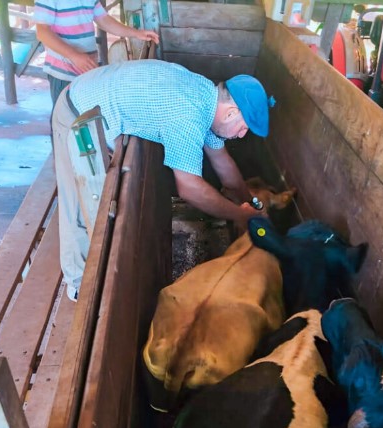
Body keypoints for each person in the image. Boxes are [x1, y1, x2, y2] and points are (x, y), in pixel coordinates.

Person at [52, 59, 273, 300]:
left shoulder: (207, 98)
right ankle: (77, 285)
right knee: (77, 201)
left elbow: (223, 163)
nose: (241, 135)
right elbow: (189, 188)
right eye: (244, 128)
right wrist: (239, 214)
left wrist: (250, 202)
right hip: (76, 114)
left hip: (96, 100)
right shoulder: (188, 114)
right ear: (231, 113)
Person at [33, 0, 159, 104]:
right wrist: (74, 56)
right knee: (65, 122)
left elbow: (103, 20)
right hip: (63, 73)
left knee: (86, 121)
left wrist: (136, 33)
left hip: (88, 70)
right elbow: (42, 32)